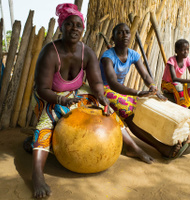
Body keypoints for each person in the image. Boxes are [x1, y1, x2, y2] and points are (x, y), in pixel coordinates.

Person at [27, 4, 156, 199]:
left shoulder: (86, 52)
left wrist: (102, 98)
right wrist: (61, 99)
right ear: (61, 27)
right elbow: (42, 89)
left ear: (83, 29)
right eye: (69, 24)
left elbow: (96, 82)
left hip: (78, 91)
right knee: (46, 124)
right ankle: (37, 174)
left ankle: (133, 147)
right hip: (51, 93)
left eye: (78, 25)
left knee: (107, 110)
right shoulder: (50, 52)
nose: (74, 29)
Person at [100, 23, 190, 166]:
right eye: (120, 33)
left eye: (127, 32)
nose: (124, 35)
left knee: (151, 103)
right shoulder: (107, 57)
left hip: (121, 89)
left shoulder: (133, 54)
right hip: (105, 89)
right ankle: (161, 147)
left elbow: (146, 76)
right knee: (130, 115)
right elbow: (113, 83)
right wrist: (139, 92)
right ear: (113, 37)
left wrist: (153, 88)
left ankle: (178, 138)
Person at [161, 39, 190, 122]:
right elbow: (174, 78)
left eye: (187, 49)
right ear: (176, 51)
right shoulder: (171, 60)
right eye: (183, 50)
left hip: (177, 83)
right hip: (167, 84)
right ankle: (182, 112)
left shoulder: (187, 59)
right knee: (178, 86)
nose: (186, 52)